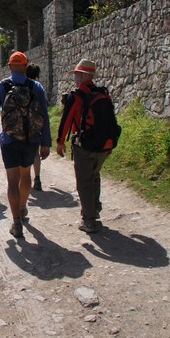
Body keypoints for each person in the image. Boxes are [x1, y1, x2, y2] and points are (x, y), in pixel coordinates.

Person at [0, 52, 51, 238]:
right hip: (31, 140)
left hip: (10, 140)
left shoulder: (1, 86)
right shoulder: (36, 86)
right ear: (26, 66)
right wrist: (46, 142)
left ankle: (16, 222)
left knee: (12, 181)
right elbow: (44, 115)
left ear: (10, 67)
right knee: (25, 174)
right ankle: (22, 208)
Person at [56, 58, 115, 234]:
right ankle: (94, 210)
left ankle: (89, 221)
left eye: (76, 74)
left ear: (82, 75)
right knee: (95, 176)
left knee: (84, 182)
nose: (75, 78)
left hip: (84, 145)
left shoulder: (76, 96)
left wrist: (60, 142)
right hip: (104, 146)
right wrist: (110, 144)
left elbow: (66, 120)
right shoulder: (103, 94)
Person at [26, 63, 45, 192]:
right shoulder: (38, 87)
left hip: (20, 124)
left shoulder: (21, 85)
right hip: (35, 124)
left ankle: (25, 179)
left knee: (24, 152)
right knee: (36, 154)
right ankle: (37, 178)